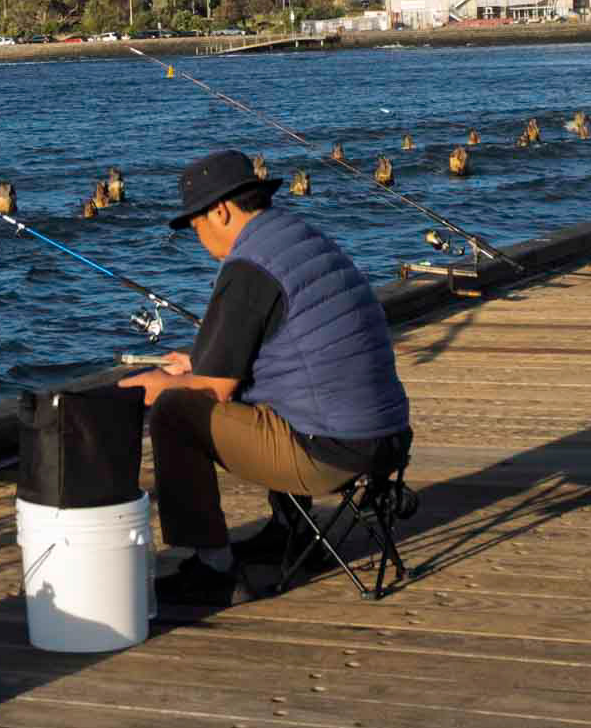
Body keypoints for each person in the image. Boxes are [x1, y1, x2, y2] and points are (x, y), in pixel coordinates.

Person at [118, 147, 411, 607]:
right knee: (263, 392)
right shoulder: (299, 238)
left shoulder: (247, 268)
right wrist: (198, 362)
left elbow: (216, 390)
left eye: (195, 224)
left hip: (332, 452)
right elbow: (286, 344)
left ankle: (214, 570)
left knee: (175, 413)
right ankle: (290, 531)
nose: (198, 236)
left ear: (220, 210)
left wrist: (157, 385)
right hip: (387, 437)